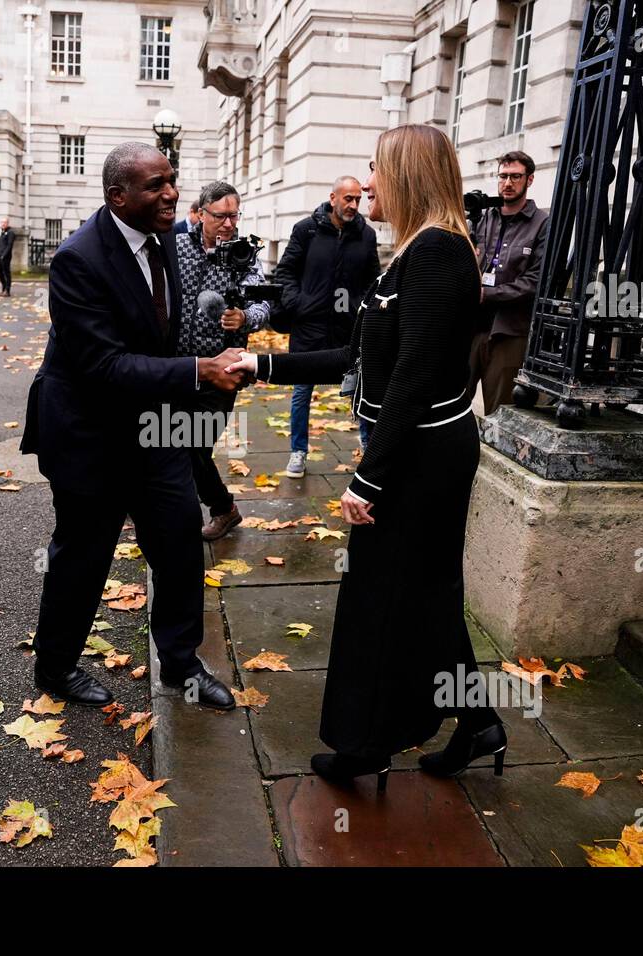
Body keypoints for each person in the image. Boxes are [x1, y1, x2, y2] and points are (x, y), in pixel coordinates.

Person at [225, 124, 506, 788]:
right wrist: (260, 363)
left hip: (420, 460)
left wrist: (369, 478)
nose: (368, 182)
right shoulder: (412, 252)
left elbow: (411, 377)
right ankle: (476, 722)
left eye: (377, 169)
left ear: (406, 175)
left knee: (382, 597)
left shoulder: (438, 251)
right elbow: (353, 356)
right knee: (428, 595)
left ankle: (365, 745)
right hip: (414, 452)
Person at [20, 142, 244, 711]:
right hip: (90, 435)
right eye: (155, 185)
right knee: (83, 557)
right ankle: (55, 667)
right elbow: (105, 365)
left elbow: (162, 331)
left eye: (172, 180)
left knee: (179, 548)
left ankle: (181, 666)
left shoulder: (165, 237)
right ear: (118, 196)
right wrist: (199, 371)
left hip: (155, 431)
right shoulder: (77, 259)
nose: (171, 193)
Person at [173, 181, 273, 540]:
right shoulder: (177, 245)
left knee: (193, 444)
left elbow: (264, 303)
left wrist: (246, 318)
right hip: (179, 366)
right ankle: (205, 507)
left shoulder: (244, 252)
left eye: (234, 215)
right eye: (221, 216)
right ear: (200, 214)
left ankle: (223, 509)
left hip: (225, 369)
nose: (230, 223)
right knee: (170, 441)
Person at [273, 176, 381, 477]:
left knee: (362, 387)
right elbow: (285, 272)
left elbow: (374, 280)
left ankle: (369, 449)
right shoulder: (306, 230)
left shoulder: (366, 235)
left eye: (358, 199)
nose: (354, 205)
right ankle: (298, 451)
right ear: (333, 197)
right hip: (309, 327)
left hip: (347, 329)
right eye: (348, 198)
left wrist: (359, 307)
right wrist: (299, 303)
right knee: (301, 392)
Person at [469, 150, 549, 413]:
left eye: (516, 176)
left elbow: (536, 280)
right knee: (450, 401)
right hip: (471, 326)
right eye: (503, 176)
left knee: (500, 410)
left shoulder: (542, 223)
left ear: (530, 180)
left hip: (510, 330)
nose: (508, 182)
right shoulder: (482, 217)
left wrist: (488, 294)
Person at [0, 217, 15, 295]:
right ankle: (3, 288)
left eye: (4, 222)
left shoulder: (10, 232)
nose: (3, 224)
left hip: (6, 257)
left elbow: (9, 245)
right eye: (2, 222)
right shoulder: (2, 232)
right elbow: (0, 245)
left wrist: (4, 255)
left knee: (6, 273)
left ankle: (7, 290)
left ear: (7, 223)